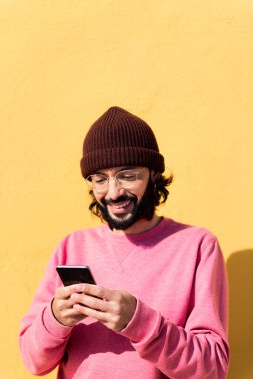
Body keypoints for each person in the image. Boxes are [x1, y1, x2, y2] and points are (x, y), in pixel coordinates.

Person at [19, 106, 229, 378]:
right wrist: (56, 319)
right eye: (100, 179)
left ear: (154, 175)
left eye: (127, 175)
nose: (113, 192)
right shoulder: (71, 247)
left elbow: (212, 368)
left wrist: (139, 322)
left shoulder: (197, 246)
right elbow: (34, 362)